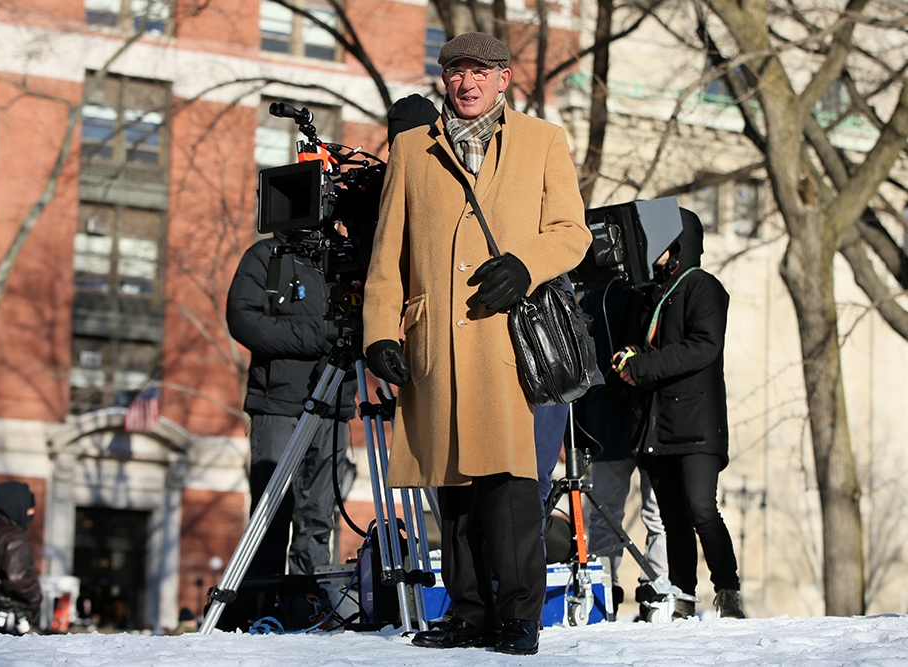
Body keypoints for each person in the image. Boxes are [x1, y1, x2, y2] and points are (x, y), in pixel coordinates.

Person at [363, 32, 591, 655]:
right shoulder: (412, 148)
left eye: (478, 72)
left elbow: (573, 232)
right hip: (436, 339)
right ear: (443, 80)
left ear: (503, 78)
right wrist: (380, 334)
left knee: (513, 486)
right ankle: (467, 612)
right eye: (454, 71)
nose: (465, 83)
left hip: (507, 340)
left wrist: (526, 262)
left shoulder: (544, 141)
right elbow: (387, 258)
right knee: (452, 485)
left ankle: (520, 617)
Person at [612, 208, 745, 619]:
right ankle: (685, 597)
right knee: (672, 519)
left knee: (702, 508)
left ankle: (727, 591)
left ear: (676, 247)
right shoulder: (651, 294)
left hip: (696, 423)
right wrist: (630, 358)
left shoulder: (703, 287)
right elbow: (649, 347)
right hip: (658, 424)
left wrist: (644, 366)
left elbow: (704, 345)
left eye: (657, 244)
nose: (650, 254)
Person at [226, 233, 357, 580]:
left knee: (318, 513)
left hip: (333, 400)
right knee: (271, 511)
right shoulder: (267, 256)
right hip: (277, 402)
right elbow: (242, 319)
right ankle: (263, 608)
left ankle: (307, 600)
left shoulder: (345, 258)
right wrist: (319, 336)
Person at [574, 287, 668, 618]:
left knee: (654, 513)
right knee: (609, 513)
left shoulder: (655, 290)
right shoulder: (596, 295)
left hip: (647, 417)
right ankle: (607, 589)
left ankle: (654, 590)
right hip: (610, 419)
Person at [0, 480, 43, 635]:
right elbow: (18, 579)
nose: (31, 512)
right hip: (11, 622)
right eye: (29, 507)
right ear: (16, 506)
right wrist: (36, 599)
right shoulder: (15, 538)